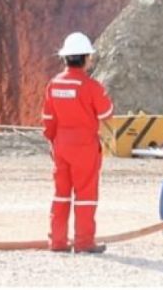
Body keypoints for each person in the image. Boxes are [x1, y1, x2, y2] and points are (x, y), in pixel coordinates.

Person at [41, 32, 114, 254]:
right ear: (85, 58)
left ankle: (58, 242)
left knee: (61, 194)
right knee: (85, 195)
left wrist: (54, 142)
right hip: (84, 146)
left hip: (61, 144)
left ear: (65, 58)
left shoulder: (53, 85)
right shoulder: (91, 86)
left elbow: (48, 119)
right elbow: (107, 113)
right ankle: (83, 243)